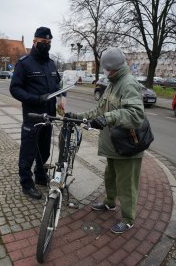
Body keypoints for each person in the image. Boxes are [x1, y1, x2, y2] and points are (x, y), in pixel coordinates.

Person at [66, 47, 145, 233]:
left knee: (127, 184)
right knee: (110, 177)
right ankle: (109, 203)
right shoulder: (112, 83)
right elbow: (98, 110)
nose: (104, 72)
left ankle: (128, 218)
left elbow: (136, 114)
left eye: (106, 69)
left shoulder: (128, 84)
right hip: (114, 145)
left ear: (114, 68)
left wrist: (109, 118)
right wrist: (77, 116)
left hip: (127, 146)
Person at [10, 27, 65, 200]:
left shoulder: (51, 63)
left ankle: (41, 176)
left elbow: (56, 85)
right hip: (32, 117)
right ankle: (26, 183)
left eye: (49, 43)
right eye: (43, 42)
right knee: (28, 152)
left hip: (48, 116)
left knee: (44, 150)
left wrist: (61, 94)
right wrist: (35, 98)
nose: (46, 45)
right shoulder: (24, 63)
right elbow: (15, 89)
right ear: (34, 41)